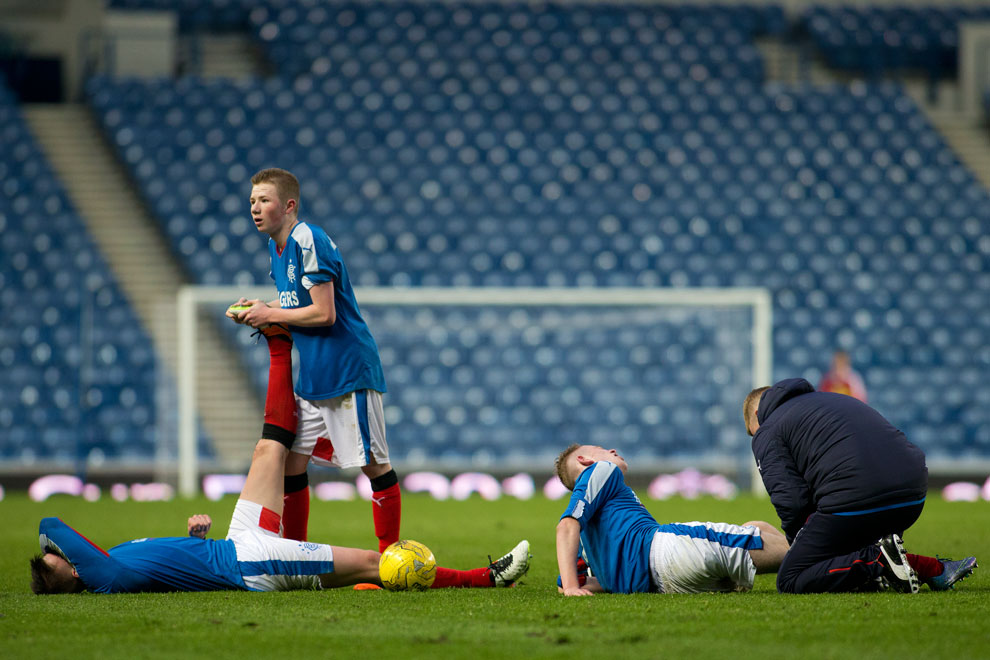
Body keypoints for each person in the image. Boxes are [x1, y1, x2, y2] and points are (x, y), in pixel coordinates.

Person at [30, 327, 531, 594]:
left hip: (232, 542)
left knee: (269, 448)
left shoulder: (109, 566)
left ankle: (278, 343)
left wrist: (194, 540)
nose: (70, 558)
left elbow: (174, 568)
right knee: (379, 564)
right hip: (252, 563)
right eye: (65, 562)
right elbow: (51, 524)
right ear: (74, 574)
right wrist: (58, 553)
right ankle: (486, 577)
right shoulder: (103, 577)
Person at [228, 167, 399, 551]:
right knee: (292, 463)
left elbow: (325, 313)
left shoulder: (308, 239)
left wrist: (270, 314)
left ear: (289, 205)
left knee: (374, 465)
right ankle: (297, 554)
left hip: (347, 371)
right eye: (252, 201)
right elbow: (295, 302)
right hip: (314, 377)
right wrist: (260, 307)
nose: (255, 208)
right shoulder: (275, 248)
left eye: (264, 200)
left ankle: (389, 558)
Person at [743, 378, 978, 594]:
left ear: (757, 413)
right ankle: (933, 569)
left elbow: (791, 500)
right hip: (912, 494)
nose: (756, 437)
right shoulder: (830, 399)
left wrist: (800, 546)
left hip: (860, 498)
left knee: (790, 578)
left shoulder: (768, 428)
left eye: (753, 432)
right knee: (854, 548)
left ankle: (880, 562)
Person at [554, 444, 789, 596]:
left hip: (665, 584)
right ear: (585, 460)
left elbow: (570, 581)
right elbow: (566, 526)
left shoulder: (588, 537)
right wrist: (572, 588)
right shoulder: (601, 470)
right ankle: (808, 561)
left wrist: (574, 584)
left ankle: (805, 567)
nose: (612, 450)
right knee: (793, 550)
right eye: (600, 448)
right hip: (667, 550)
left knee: (756, 527)